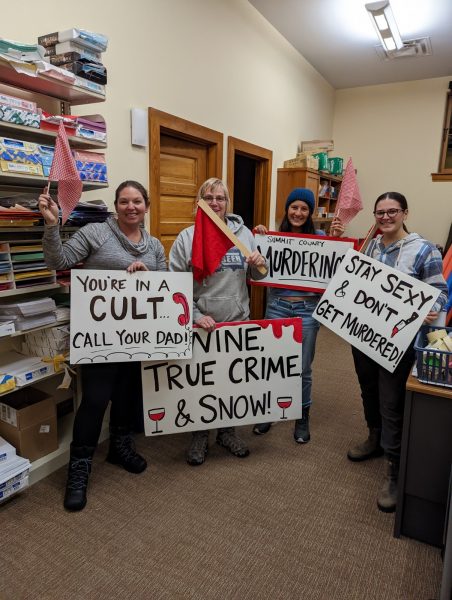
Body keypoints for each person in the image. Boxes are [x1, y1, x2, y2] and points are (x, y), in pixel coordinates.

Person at [39, 180, 167, 511]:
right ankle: (78, 469)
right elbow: (59, 261)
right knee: (95, 400)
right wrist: (52, 226)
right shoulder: (96, 233)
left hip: (139, 338)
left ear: (146, 206)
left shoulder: (154, 246)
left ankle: (119, 447)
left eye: (137, 201)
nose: (131, 207)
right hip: (101, 338)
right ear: (116, 206)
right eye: (124, 201)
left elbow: (165, 288)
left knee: (126, 394)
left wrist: (146, 278)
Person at [347, 192, 447, 513]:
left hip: (397, 342)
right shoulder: (370, 246)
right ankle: (373, 437)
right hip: (363, 336)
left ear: (405, 213)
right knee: (368, 390)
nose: (385, 217)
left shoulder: (424, 250)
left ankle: (393, 466)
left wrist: (431, 307)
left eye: (392, 211)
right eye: (380, 212)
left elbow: (440, 294)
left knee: (392, 400)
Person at [169, 177, 267, 466]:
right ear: (200, 201)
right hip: (202, 325)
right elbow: (176, 287)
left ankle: (227, 433)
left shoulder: (244, 234)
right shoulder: (187, 238)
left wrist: (260, 263)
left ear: (227, 203)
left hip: (236, 322)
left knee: (232, 382)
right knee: (202, 383)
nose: (215, 203)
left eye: (220, 198)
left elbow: (259, 277)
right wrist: (197, 317)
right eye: (208, 197)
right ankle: (200, 436)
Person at [252, 188, 344, 443]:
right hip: (277, 307)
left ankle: (302, 417)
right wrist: (258, 242)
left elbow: (335, 273)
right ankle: (269, 411)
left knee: (303, 368)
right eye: (294, 207)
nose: (298, 213)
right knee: (272, 365)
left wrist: (336, 241)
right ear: (287, 209)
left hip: (306, 310)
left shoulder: (321, 236)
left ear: (310, 212)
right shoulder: (271, 236)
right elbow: (259, 274)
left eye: (304, 209)